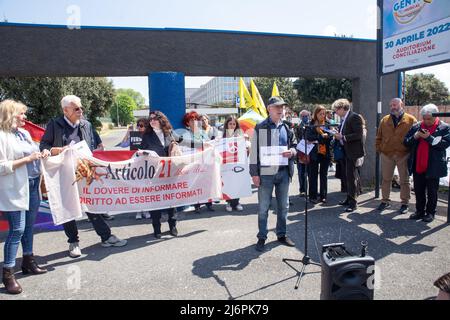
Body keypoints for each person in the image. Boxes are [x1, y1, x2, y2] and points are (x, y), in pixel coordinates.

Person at [39, 95, 127, 258]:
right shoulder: (54, 124)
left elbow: (95, 144)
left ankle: (106, 237)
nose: (81, 111)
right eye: (76, 108)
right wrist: (57, 150)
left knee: (92, 204)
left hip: (85, 171)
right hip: (64, 173)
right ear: (65, 110)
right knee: (68, 207)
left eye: (81, 108)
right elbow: (44, 145)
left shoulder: (86, 125)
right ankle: (73, 242)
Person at [0, 100, 49, 294]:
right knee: (17, 229)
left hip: (32, 184)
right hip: (14, 188)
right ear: (10, 114)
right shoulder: (2, 136)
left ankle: (28, 260)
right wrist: (27, 160)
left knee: (29, 226)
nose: (25, 117)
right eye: (21, 114)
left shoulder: (24, 133)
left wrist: (41, 153)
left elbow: (33, 153)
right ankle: (8, 273)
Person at [250, 96, 297, 252]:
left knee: (284, 207)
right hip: (266, 173)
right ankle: (262, 237)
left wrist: (292, 151)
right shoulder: (260, 127)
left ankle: (281, 234)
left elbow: (295, 146)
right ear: (269, 108)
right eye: (277, 107)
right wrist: (254, 174)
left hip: (283, 172)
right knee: (263, 208)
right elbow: (254, 152)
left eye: (282, 107)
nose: (280, 110)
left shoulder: (288, 127)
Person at [404, 104, 450, 223]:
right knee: (418, 190)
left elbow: (444, 144)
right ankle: (419, 211)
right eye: (424, 118)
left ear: (436, 116)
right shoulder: (417, 126)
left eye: (429, 118)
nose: (426, 121)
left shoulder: (445, 127)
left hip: (433, 166)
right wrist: (416, 136)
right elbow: (406, 142)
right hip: (418, 164)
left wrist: (428, 138)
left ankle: (430, 213)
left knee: (432, 191)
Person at [139, 111, 179, 238]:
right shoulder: (147, 135)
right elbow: (140, 152)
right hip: (154, 173)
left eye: (154, 119)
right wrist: (146, 154)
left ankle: (173, 226)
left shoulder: (170, 133)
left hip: (169, 172)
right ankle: (157, 228)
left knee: (171, 201)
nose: (152, 121)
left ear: (161, 120)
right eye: (150, 120)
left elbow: (186, 141)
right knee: (155, 202)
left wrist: (205, 144)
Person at [375, 98, 416, 214]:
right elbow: (378, 137)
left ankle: (404, 203)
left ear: (401, 104)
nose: (393, 107)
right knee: (386, 179)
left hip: (404, 154)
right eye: (391, 105)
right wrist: (379, 149)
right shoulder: (385, 120)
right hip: (387, 154)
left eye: (395, 104)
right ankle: (385, 201)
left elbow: (415, 138)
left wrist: (411, 153)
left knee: (404, 180)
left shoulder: (411, 120)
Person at [333, 99, 365, 213]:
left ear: (342, 108)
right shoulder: (345, 118)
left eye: (336, 109)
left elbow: (358, 134)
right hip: (346, 151)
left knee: (351, 177)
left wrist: (343, 137)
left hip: (353, 152)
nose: (335, 112)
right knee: (347, 177)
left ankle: (353, 203)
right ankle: (349, 198)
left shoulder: (354, 117)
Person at [180, 111, 215, 213]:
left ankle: (209, 203)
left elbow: (209, 145)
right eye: (192, 120)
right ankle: (197, 205)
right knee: (195, 182)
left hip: (205, 162)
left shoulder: (203, 133)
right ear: (187, 123)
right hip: (193, 162)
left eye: (196, 119)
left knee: (206, 182)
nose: (194, 122)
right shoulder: (185, 135)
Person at [306, 105, 332, 204]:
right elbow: (309, 137)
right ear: (316, 114)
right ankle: (312, 196)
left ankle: (323, 196)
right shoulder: (311, 124)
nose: (322, 115)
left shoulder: (328, 123)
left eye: (324, 113)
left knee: (323, 175)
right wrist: (321, 136)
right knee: (313, 175)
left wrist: (318, 139)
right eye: (320, 114)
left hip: (325, 153)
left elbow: (330, 136)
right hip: (314, 153)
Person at [222, 115, 244, 212]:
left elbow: (245, 147)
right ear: (227, 124)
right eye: (230, 124)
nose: (232, 126)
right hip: (226, 163)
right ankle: (229, 202)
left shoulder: (239, 135)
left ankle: (237, 202)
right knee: (228, 183)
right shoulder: (222, 136)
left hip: (237, 162)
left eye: (234, 124)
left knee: (237, 182)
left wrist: (245, 140)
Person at [295, 110, 310, 197]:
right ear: (301, 117)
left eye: (306, 116)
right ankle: (302, 190)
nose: (305, 117)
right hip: (301, 152)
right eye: (303, 116)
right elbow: (297, 138)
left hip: (310, 152)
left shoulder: (311, 125)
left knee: (310, 173)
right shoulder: (298, 127)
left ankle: (311, 190)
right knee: (301, 173)